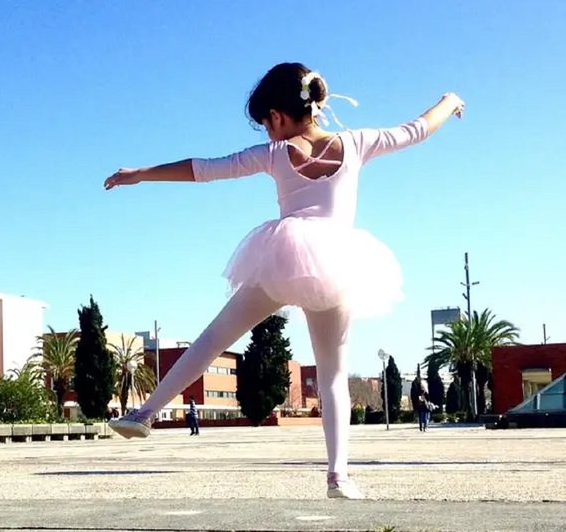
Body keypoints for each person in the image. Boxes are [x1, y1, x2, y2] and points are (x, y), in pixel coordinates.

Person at [103, 63, 464, 500]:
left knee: (213, 337)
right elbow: (417, 129)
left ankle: (146, 413)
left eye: (265, 125)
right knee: (332, 373)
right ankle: (338, 477)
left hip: (280, 260)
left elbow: (205, 169)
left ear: (276, 115)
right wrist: (450, 101)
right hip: (339, 262)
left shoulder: (274, 155)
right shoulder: (357, 143)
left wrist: (142, 173)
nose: (267, 134)